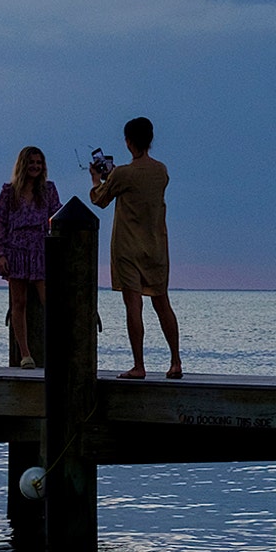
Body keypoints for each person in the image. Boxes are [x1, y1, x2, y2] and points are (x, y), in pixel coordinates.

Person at [90, 117, 183, 380]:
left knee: (133, 305)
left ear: (128, 142)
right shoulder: (161, 171)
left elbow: (101, 199)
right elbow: (139, 181)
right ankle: (175, 361)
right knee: (162, 303)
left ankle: (139, 365)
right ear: (150, 139)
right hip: (156, 246)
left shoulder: (122, 174)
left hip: (128, 248)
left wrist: (97, 179)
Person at [0, 146, 59, 369]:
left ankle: (57, 350)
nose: (36, 167)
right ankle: (25, 354)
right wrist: (0, 254)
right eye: (32, 162)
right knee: (18, 303)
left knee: (48, 301)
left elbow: (58, 216)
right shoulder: (9, 192)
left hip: (40, 248)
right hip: (16, 249)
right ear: (23, 164)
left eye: (39, 163)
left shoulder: (48, 190)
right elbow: (0, 222)